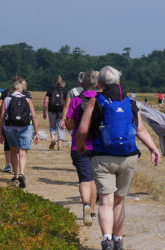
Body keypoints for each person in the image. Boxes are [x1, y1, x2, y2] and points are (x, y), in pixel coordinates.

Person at [76, 66, 160, 250]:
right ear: (119, 82)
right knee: (120, 201)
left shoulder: (95, 100)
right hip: (127, 156)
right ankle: (119, 240)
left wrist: (81, 145)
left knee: (105, 201)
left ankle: (106, 239)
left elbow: (82, 129)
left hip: (102, 156)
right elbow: (140, 130)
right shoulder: (131, 102)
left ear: (100, 84)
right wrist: (153, 148)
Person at [65, 71, 98, 227]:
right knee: (94, 179)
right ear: (97, 84)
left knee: (85, 178)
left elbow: (70, 124)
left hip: (78, 144)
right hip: (98, 145)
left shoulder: (76, 100)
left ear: (81, 84)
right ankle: (92, 209)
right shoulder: (100, 100)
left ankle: (85, 203)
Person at [0, 79, 39, 188]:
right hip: (25, 128)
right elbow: (34, 116)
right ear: (21, 90)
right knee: (23, 152)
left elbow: (2, 116)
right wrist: (36, 132)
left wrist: (0, 133)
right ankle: (22, 173)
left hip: (10, 129)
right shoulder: (27, 99)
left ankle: (15, 175)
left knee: (13, 151)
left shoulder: (7, 99)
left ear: (11, 90)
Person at [0, 77, 32, 173]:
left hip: (9, 125)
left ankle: (9, 165)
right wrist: (35, 131)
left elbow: (0, 109)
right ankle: (21, 173)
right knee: (22, 150)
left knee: (11, 148)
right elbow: (33, 114)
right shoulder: (27, 95)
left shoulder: (6, 94)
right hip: (24, 126)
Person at [43, 76, 68, 150]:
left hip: (52, 110)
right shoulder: (65, 91)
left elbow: (46, 101)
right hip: (61, 111)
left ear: (54, 82)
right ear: (62, 82)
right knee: (61, 127)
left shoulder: (50, 90)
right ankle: (59, 146)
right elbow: (67, 103)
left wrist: (44, 112)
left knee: (52, 126)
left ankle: (53, 138)